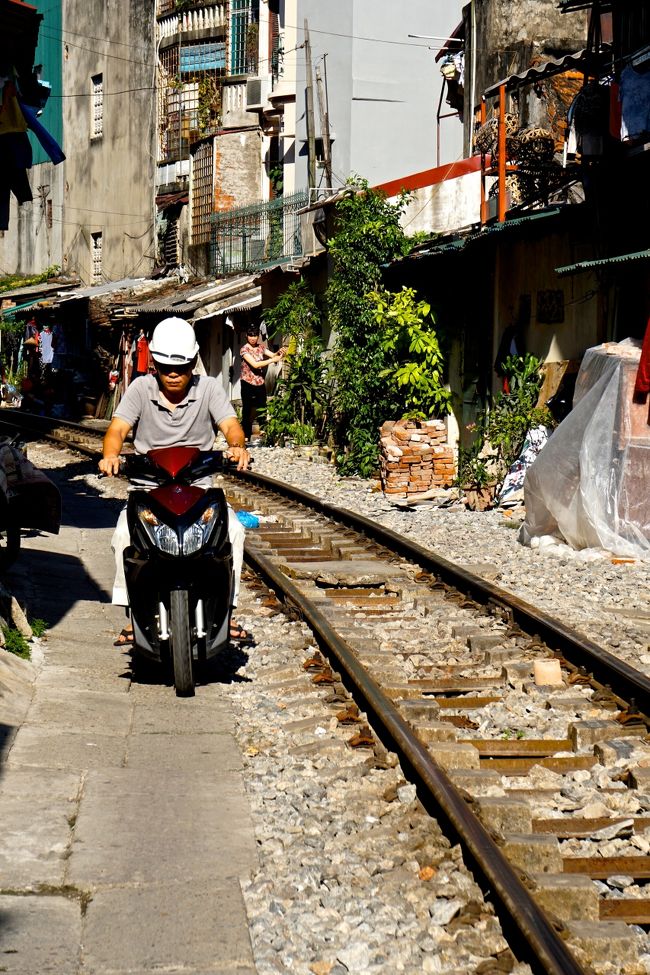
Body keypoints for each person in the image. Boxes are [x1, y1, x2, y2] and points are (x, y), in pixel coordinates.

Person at [98, 316, 252, 646]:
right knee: (123, 535)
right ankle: (133, 614)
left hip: (200, 488)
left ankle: (228, 609)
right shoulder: (140, 389)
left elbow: (230, 425)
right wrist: (110, 455)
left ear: (192, 363)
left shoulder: (209, 388)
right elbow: (117, 430)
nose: (173, 374)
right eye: (166, 366)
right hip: (149, 488)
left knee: (235, 532)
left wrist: (237, 448)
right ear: (153, 362)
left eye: (181, 367)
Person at [239, 325, 284, 444]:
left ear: (258, 337)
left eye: (255, 336)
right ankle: (246, 435)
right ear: (246, 336)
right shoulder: (244, 349)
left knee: (262, 407)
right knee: (247, 409)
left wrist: (279, 353)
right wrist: (271, 360)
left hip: (259, 381)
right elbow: (255, 364)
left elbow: (273, 355)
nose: (253, 338)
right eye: (251, 335)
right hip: (247, 382)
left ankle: (264, 433)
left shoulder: (261, 347)